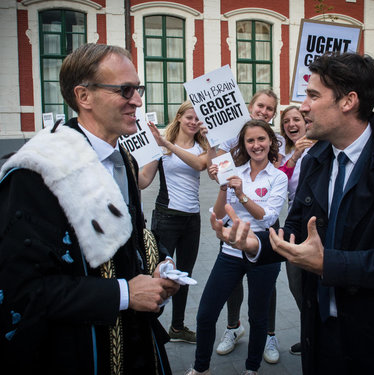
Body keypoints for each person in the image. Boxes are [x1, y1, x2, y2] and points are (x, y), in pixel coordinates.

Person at [211, 53, 374, 375]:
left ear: (348, 101)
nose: (303, 107)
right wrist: (255, 245)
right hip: (318, 335)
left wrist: (327, 264)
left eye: (313, 95)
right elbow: (295, 228)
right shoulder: (316, 158)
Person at [0, 43, 180, 374]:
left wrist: (161, 264)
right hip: (80, 352)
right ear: (84, 96)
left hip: (136, 344)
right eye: (126, 90)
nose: (138, 101)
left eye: (138, 89)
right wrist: (124, 293)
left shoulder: (123, 158)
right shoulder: (36, 172)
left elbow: (133, 234)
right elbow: (23, 291)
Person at [187, 119, 288, 375]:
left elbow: (267, 217)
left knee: (258, 316)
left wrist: (242, 194)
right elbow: (220, 214)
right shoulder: (235, 171)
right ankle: (201, 368)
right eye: (250, 140)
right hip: (231, 252)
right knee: (206, 313)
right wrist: (223, 186)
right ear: (244, 144)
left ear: (271, 142)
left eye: (261, 139)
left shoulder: (278, 177)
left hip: (264, 253)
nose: (256, 145)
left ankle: (251, 368)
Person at [210, 89, 285, 363]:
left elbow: (271, 168)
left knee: (266, 282)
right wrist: (216, 170)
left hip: (264, 218)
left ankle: (269, 334)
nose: (264, 111)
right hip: (235, 218)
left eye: (270, 109)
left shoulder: (274, 141)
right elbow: (218, 166)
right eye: (261, 106)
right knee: (232, 277)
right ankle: (233, 328)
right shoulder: (232, 136)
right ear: (250, 106)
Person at [138, 101, 210, 344]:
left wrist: (165, 144)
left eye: (197, 119)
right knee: (158, 274)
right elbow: (143, 180)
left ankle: (177, 327)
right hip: (166, 217)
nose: (193, 122)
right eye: (189, 117)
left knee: (184, 275)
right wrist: (123, 162)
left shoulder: (202, 147)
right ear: (179, 117)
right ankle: (146, 326)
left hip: (192, 219)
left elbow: (200, 165)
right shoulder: (160, 148)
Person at [278, 105, 314, 356]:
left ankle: (317, 335)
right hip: (293, 223)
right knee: (296, 284)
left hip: (317, 223)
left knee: (318, 283)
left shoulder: (320, 143)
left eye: (296, 119)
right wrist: (293, 157)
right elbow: (278, 180)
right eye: (287, 121)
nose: (292, 124)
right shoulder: (284, 151)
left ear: (306, 121)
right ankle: (311, 331)